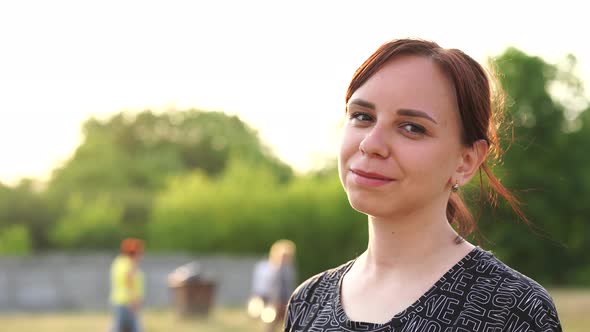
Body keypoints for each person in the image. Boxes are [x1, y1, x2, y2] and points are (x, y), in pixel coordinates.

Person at [284, 39, 562, 331]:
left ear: (465, 161)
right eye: (362, 116)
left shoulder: (512, 309)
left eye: (412, 127)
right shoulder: (308, 302)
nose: (371, 144)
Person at [248, 239, 297, 332]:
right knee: (270, 326)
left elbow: (289, 287)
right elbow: (263, 286)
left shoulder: (289, 270)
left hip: (286, 302)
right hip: (273, 302)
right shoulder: (268, 269)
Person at [110, 238, 145, 332]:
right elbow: (128, 280)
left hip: (119, 301)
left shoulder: (118, 262)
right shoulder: (129, 263)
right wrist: (134, 299)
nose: (141, 255)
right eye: (140, 252)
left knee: (119, 328)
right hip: (128, 302)